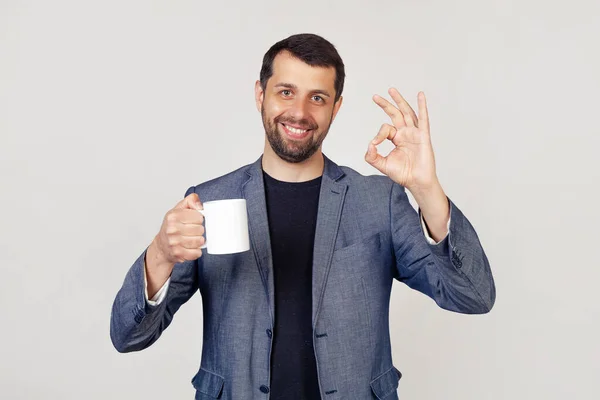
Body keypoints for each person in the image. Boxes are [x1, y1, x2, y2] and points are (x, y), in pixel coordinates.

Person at [110, 33, 496, 400]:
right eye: (285, 92)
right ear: (260, 94)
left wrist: (427, 189)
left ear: (336, 107)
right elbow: (128, 336)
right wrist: (160, 253)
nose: (299, 112)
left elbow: (473, 297)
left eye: (317, 97)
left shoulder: (379, 202)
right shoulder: (209, 202)